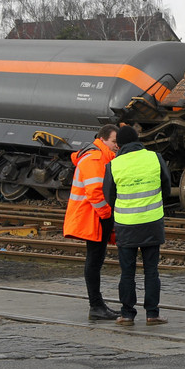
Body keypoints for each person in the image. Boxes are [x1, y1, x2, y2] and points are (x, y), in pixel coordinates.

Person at [103, 125, 171, 326]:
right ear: (138, 140)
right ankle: (152, 314)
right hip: (152, 222)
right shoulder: (154, 158)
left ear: (120, 144)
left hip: (127, 225)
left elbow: (109, 196)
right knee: (151, 271)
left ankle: (126, 314)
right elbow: (166, 187)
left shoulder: (114, 164)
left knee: (127, 272)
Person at [63, 124, 121, 321]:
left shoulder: (100, 156)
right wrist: (107, 216)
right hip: (94, 217)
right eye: (114, 141)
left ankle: (97, 305)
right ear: (103, 139)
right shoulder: (96, 158)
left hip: (93, 216)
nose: (117, 146)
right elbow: (95, 192)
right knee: (94, 261)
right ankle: (96, 306)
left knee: (95, 260)